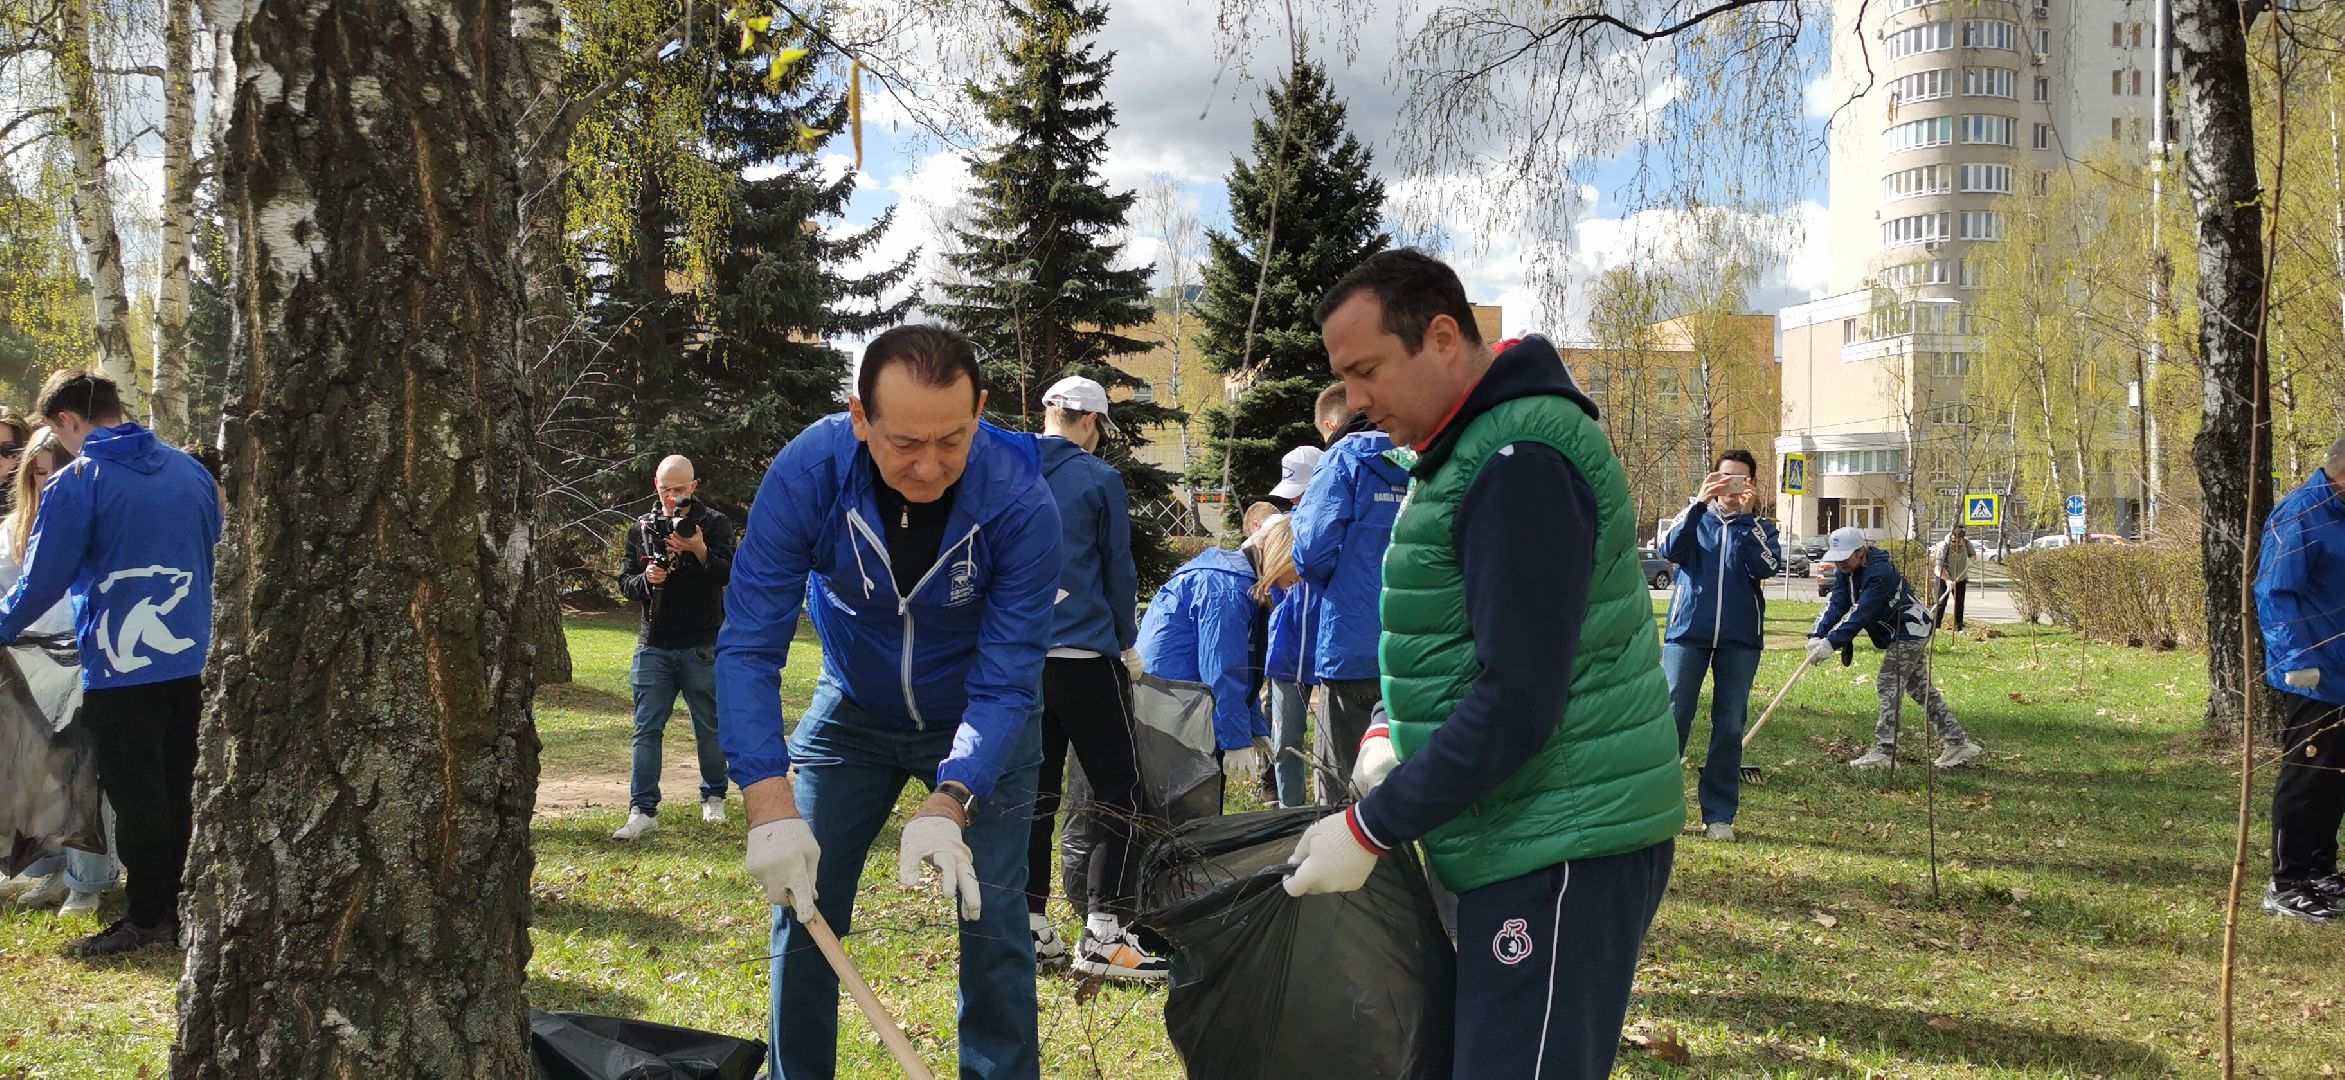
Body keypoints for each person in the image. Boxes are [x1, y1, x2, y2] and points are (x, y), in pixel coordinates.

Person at [1283, 251, 1683, 1080]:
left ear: (1439, 337)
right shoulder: (1468, 452)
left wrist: (1371, 825)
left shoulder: (1517, 462)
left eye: (1365, 371)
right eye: (1342, 377)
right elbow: (1461, 642)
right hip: (1519, 831)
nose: (1352, 402)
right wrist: (1395, 724)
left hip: (1560, 842)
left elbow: (1520, 696)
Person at [716, 325, 1061, 1080]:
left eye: (952, 440)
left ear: (981, 412)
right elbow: (748, 646)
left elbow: (1006, 679)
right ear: (859, 418)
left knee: (994, 919)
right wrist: (767, 801)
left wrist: (952, 796)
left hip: (982, 714)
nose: (928, 466)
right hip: (851, 715)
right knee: (801, 909)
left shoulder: (1020, 501)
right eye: (904, 441)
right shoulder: (809, 473)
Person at [0, 370, 220, 958]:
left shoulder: (82, 479)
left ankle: (149, 918)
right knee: (180, 789)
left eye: (56, 431)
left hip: (121, 669)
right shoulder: (190, 469)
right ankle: (183, 906)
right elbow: (213, 550)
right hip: (192, 660)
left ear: (67, 421)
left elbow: (43, 577)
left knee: (138, 796)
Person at [1021, 376, 1164, 980]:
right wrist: (1128, 642)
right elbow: (1117, 568)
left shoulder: (1008, 467)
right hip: (1085, 656)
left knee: (1035, 794)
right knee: (1119, 791)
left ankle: (1028, 928)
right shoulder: (1099, 479)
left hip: (1019, 660)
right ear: (1091, 423)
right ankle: (1104, 934)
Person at [0, 427, 117, 917]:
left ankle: (88, 880)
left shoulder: (96, 520)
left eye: (57, 472)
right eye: (40, 473)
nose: (48, 483)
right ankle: (47, 868)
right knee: (37, 769)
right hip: (24, 664)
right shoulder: (12, 528)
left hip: (84, 659)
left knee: (81, 770)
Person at [611, 455, 739, 840]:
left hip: (702, 641)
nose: (672, 498)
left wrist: (699, 550)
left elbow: (730, 573)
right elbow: (624, 582)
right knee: (646, 729)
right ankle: (642, 810)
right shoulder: (642, 528)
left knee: (710, 728)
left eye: (680, 489)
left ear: (693, 487)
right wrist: (648, 578)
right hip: (654, 642)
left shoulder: (714, 524)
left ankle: (714, 798)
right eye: (666, 489)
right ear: (656, 485)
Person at [1659, 449, 1783, 842]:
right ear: (1713, 479)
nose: (1732, 487)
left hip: (1740, 639)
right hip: (1687, 634)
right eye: (1725, 478)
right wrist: (1698, 503)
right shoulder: (1692, 517)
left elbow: (1766, 566)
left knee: (1729, 724)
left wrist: (1746, 521)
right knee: (1672, 718)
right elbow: (1669, 550)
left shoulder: (1760, 527)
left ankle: (1718, 815)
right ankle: (1658, 807)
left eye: (1741, 480)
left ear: (1752, 485)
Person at [1292, 382, 1407, 787]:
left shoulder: (1341, 459)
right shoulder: (1421, 456)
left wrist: (1344, 588)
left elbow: (1310, 550)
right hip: (1418, 649)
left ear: (1331, 424)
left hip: (1353, 645)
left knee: (1345, 786)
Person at [2253, 435, 2345, 924]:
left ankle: (2321, 872)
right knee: (2307, 778)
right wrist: (2296, 658)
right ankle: (2286, 883)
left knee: (2336, 782)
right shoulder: (2300, 515)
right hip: (2314, 671)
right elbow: (2274, 591)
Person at [1808, 526, 1984, 770]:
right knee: (1920, 688)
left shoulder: (1880, 573)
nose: (1840, 563)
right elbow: (1837, 604)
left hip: (1911, 629)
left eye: (1845, 557)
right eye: (1836, 558)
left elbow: (1860, 614)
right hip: (1900, 633)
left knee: (1888, 682)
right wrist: (1816, 635)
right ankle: (1958, 743)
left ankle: (1884, 753)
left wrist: (1830, 643)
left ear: (1861, 552)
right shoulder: (1847, 572)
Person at [1137, 517, 1293, 772]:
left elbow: (1241, 667)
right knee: (1183, 799)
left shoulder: (1236, 582)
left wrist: (1253, 725)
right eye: (1300, 563)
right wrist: (1234, 740)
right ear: (1282, 554)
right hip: (1174, 706)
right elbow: (1221, 669)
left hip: (1177, 700)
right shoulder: (1228, 589)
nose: (1304, 575)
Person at [1263, 447, 1323, 807]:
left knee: (1331, 747)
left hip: (1326, 652)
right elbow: (1271, 588)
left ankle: (1334, 814)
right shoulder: (1283, 529)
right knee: (1285, 741)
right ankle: (1289, 815)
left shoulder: (1335, 524)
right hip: (1286, 656)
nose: (1296, 499)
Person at [1931, 526, 1972, 632]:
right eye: (1954, 542)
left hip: (1960, 578)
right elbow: (1940, 568)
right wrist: (1948, 580)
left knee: (1959, 603)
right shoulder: (1943, 547)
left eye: (1960, 542)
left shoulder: (1967, 543)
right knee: (1941, 602)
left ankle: (1959, 627)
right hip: (1943, 577)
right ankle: (1936, 626)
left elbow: (1973, 555)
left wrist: (1972, 560)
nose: (1957, 544)